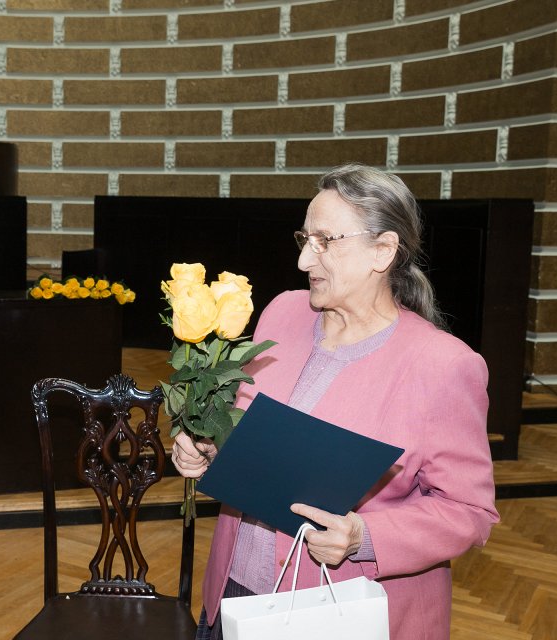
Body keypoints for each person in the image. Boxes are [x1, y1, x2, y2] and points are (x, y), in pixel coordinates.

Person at [173, 163, 500, 639]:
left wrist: (364, 538)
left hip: (337, 608)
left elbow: (469, 512)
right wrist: (209, 450)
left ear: (383, 250)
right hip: (235, 592)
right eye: (305, 239)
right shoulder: (283, 312)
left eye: (326, 241)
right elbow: (254, 437)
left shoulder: (443, 364)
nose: (306, 260)